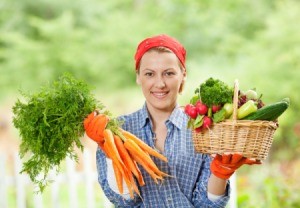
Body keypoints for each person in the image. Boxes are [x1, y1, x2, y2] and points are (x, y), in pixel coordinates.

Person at [84, 34, 260, 207]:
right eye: (149, 74)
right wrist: (109, 149)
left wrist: (221, 173)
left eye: (169, 73)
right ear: (138, 77)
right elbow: (125, 201)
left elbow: (206, 203)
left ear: (183, 75)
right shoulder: (117, 130)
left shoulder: (204, 128)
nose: (160, 83)